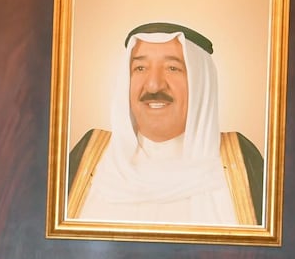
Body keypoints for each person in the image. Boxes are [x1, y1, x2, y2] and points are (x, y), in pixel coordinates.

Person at [66, 22, 264, 226]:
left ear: (200, 83)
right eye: (140, 68)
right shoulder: (89, 155)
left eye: (173, 68)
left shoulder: (239, 161)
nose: (153, 85)